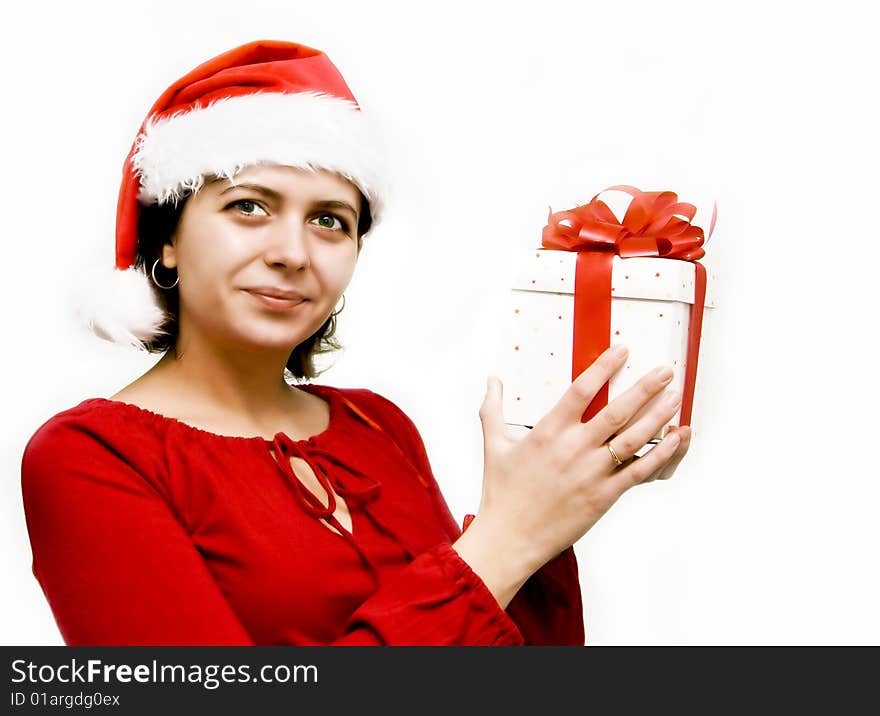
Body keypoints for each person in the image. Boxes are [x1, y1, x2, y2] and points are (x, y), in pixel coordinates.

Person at [19, 39, 691, 646]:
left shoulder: (378, 426)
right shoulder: (87, 458)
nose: (292, 252)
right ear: (167, 239)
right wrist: (505, 540)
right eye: (248, 206)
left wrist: (554, 506)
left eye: (330, 221)